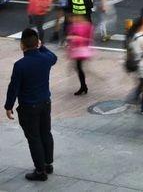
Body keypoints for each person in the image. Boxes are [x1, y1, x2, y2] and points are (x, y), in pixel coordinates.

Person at [4, 28, 57, 181]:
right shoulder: (45, 58)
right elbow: (54, 57)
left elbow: (14, 87)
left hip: (28, 107)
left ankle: (40, 172)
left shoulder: (20, 65)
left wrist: (8, 106)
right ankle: (48, 164)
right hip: (45, 103)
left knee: (34, 138)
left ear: (22, 45)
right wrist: (42, 47)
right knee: (46, 133)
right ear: (37, 43)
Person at [66, 14, 92, 96]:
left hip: (80, 51)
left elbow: (87, 39)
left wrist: (75, 39)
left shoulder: (86, 26)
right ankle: (83, 86)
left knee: (79, 68)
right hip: (78, 50)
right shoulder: (75, 25)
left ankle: (83, 86)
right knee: (79, 68)